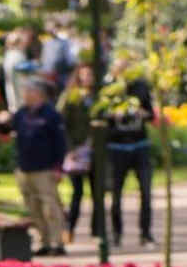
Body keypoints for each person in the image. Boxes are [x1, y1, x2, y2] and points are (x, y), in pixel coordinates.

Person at [0, 78, 67, 257]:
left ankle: (57, 242)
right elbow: (5, 130)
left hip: (45, 168)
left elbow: (60, 143)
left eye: (28, 92)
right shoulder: (21, 113)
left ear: (39, 94)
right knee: (33, 207)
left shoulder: (51, 115)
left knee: (50, 206)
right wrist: (2, 121)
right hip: (24, 167)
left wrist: (58, 167)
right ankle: (43, 241)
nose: (25, 95)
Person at [104, 61, 156, 247]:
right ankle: (116, 233)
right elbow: (99, 115)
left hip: (140, 145)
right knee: (116, 194)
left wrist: (144, 113)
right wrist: (111, 115)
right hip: (117, 148)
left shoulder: (141, 87)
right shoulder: (109, 89)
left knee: (146, 191)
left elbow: (151, 115)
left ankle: (146, 233)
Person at [58, 63, 96, 243]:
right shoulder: (70, 97)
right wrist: (70, 148)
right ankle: (70, 229)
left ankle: (97, 231)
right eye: (84, 75)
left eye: (90, 75)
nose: (88, 78)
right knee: (77, 192)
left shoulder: (98, 97)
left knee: (98, 193)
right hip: (77, 151)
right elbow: (61, 124)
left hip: (95, 151)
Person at [1, 29, 38, 113]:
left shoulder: (12, 54)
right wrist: (32, 66)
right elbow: (18, 68)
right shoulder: (14, 54)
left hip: (16, 91)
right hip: (18, 93)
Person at [41, 15, 78, 97]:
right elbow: (45, 62)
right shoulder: (47, 43)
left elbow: (71, 62)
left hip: (60, 78)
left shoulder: (65, 42)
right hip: (48, 79)